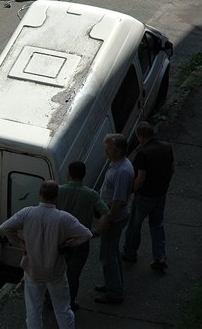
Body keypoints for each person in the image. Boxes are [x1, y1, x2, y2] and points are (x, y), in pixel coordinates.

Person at [0, 180, 92, 329]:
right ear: (57, 197)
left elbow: (5, 228)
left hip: (32, 270)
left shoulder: (27, 213)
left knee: (33, 311)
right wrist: (68, 244)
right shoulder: (63, 218)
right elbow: (86, 234)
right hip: (55, 272)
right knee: (63, 310)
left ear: (40, 194)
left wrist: (22, 244)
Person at [56, 161, 110, 311]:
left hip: (60, 239)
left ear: (68, 173)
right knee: (73, 274)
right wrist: (97, 230)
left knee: (56, 272)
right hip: (81, 240)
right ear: (83, 175)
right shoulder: (92, 194)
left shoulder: (58, 191)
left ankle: (50, 300)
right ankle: (70, 303)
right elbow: (106, 213)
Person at [123, 121, 174, 271]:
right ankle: (160, 257)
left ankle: (129, 254)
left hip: (144, 196)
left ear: (140, 136)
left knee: (134, 226)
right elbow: (171, 170)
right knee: (157, 225)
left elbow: (140, 178)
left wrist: (132, 190)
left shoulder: (143, 153)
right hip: (160, 195)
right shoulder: (166, 147)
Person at [95, 133, 134, 304]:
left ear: (118, 150)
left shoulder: (122, 171)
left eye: (109, 148)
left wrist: (107, 220)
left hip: (114, 218)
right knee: (113, 252)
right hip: (114, 216)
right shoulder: (119, 164)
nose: (106, 151)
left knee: (107, 255)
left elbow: (118, 200)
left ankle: (115, 292)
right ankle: (113, 283)